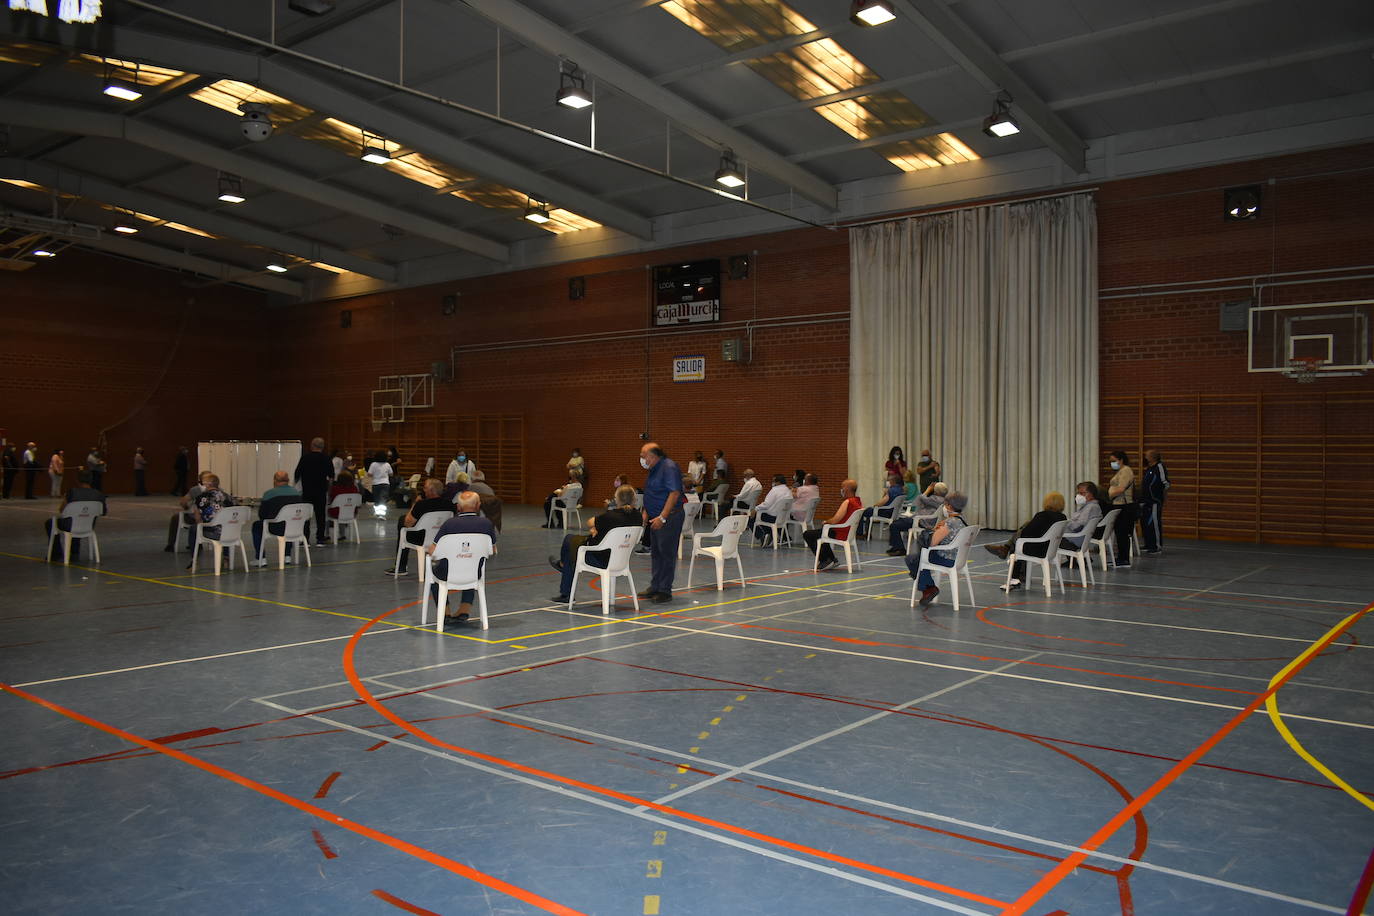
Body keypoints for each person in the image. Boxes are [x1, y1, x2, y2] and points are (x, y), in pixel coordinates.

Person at [548, 484, 641, 602]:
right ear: (634, 499)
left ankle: (565, 583)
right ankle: (563, 567)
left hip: (600, 559)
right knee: (572, 545)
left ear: (617, 499)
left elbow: (590, 522)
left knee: (569, 542)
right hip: (621, 559)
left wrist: (595, 528)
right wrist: (597, 529)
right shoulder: (638, 517)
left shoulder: (610, 516)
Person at [425, 491, 497, 625]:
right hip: (474, 573)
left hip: (448, 573)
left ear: (458, 506)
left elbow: (433, 551)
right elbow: (492, 551)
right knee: (470, 564)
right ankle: (464, 610)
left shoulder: (449, 524)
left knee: (434, 576)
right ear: (478, 505)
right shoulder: (486, 524)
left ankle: (445, 612)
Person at [985, 492, 1067, 590]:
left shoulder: (1042, 515)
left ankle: (1014, 578)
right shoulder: (1062, 518)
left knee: (1019, 543)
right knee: (1022, 535)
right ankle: (1009, 554)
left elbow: (1026, 534)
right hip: (1051, 550)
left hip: (1039, 550)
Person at [639, 442, 684, 603]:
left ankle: (665, 590)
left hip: (669, 518)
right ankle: (655, 586)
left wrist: (663, 517)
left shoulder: (668, 467)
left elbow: (674, 493)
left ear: (652, 456)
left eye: (643, 456)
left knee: (666, 553)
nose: (642, 459)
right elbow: (651, 492)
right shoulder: (653, 469)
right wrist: (646, 512)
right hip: (654, 517)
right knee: (656, 553)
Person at [385, 478, 455, 576]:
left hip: (421, 539)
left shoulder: (421, 505)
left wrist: (414, 504)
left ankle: (401, 566)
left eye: (425, 488)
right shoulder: (450, 505)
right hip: (441, 538)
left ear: (431, 490)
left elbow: (408, 523)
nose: (423, 490)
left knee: (402, 522)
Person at [909, 492, 968, 606]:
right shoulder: (962, 519)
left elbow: (932, 543)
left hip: (947, 558)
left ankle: (929, 588)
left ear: (950, 506)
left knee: (914, 559)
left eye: (945, 505)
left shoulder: (950, 522)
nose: (944, 508)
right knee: (917, 559)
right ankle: (925, 584)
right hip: (959, 557)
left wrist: (935, 531)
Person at [45, 469, 107, 562]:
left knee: (51, 522)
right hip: (89, 526)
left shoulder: (72, 492)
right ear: (91, 479)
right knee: (80, 518)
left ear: (77, 480)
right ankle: (74, 552)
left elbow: (62, 510)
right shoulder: (99, 494)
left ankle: (56, 553)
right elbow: (103, 512)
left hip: (71, 525)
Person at [803, 480, 862, 571]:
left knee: (808, 534)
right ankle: (832, 560)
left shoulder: (847, 502)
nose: (841, 489)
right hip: (849, 532)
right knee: (821, 532)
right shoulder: (858, 501)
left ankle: (824, 560)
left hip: (840, 532)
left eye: (842, 487)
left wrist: (826, 522)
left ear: (847, 489)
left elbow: (835, 520)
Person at [250, 471, 306, 565]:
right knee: (289, 522)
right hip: (295, 528)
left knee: (256, 526)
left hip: (275, 528)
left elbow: (262, 515)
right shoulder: (297, 494)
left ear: (274, 481)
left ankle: (260, 558)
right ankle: (287, 556)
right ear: (288, 480)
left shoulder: (269, 494)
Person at [885, 481, 947, 557]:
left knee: (894, 525)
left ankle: (899, 548)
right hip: (925, 521)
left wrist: (928, 489)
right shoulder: (944, 500)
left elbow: (918, 500)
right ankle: (895, 547)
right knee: (897, 523)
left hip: (922, 521)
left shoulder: (935, 499)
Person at [294, 436, 334, 547]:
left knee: (306, 516)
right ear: (323, 447)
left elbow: (297, 474)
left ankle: (305, 539)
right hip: (321, 491)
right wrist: (329, 491)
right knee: (320, 515)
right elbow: (331, 477)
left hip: (307, 491)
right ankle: (320, 539)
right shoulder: (327, 459)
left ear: (312, 445)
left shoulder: (305, 458)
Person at [190, 474, 234, 568]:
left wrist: (200, 524)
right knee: (225, 525)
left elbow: (198, 518)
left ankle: (194, 560)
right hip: (230, 532)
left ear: (207, 485)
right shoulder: (228, 497)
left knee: (193, 529)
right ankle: (226, 557)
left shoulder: (201, 498)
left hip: (212, 531)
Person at [166, 470, 212, 551]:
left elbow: (183, 502)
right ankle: (198, 543)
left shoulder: (195, 490)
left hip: (196, 518)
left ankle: (171, 544)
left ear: (200, 480)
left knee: (176, 518)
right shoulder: (220, 490)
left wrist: (186, 508)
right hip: (214, 519)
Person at [1106, 449, 1136, 568]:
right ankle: (1120, 557)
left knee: (1123, 532)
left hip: (1124, 505)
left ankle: (1124, 559)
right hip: (1118, 504)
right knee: (1119, 532)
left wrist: (1108, 495)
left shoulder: (1126, 471)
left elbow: (1121, 488)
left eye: (1114, 461)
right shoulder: (1120, 471)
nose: (1112, 463)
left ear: (1121, 460)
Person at [1139, 450, 1170, 554]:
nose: (1145, 457)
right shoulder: (1149, 468)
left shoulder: (1159, 467)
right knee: (1146, 524)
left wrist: (1160, 497)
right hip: (1146, 501)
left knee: (1154, 523)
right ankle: (1149, 544)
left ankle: (1157, 546)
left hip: (1155, 502)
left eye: (1146, 456)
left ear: (1153, 457)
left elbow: (1165, 483)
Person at [1063, 481, 1105, 553]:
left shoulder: (1090, 508)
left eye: (1082, 493)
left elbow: (1077, 527)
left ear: (1091, 494)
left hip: (1077, 539)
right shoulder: (1091, 506)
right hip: (1082, 537)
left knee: (1052, 537)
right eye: (1078, 493)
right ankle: (1075, 560)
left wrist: (1066, 521)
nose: (1079, 496)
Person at [857, 472, 903, 537]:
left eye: (888, 481)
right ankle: (867, 533)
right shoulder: (901, 490)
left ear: (893, 481)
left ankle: (860, 533)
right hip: (894, 513)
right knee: (869, 511)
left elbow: (881, 503)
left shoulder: (891, 491)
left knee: (863, 512)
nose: (888, 482)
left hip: (886, 512)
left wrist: (875, 505)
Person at [751, 474, 793, 546]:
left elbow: (766, 504)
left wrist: (755, 509)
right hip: (783, 519)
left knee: (751, 518)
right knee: (765, 514)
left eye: (773, 481)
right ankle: (772, 535)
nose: (773, 483)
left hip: (773, 518)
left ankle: (763, 535)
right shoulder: (788, 491)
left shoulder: (774, 490)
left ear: (778, 482)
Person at [326, 471, 360, 538]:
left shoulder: (335, 488)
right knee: (344, 508)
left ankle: (326, 534)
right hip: (352, 513)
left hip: (337, 513)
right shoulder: (354, 488)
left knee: (326, 512)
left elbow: (330, 499)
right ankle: (342, 534)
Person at [367, 451, 393, 517]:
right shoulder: (387, 464)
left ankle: (378, 513)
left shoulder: (373, 464)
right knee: (383, 499)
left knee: (377, 499)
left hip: (375, 484)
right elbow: (391, 474)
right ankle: (381, 514)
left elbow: (369, 474)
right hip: (385, 483)